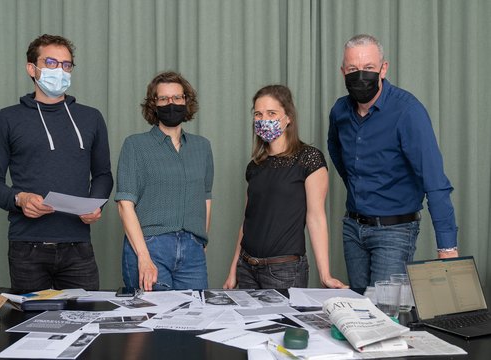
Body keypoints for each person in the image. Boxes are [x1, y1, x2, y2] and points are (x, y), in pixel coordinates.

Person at [0, 34, 113, 292]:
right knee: (33, 327)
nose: (60, 70)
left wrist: (96, 204)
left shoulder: (91, 118)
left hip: (78, 248)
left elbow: (103, 175)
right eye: (51, 62)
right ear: (32, 68)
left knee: (85, 323)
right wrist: (19, 199)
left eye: (66, 65)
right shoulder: (7, 119)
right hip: (27, 248)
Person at [327, 34, 458, 289]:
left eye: (368, 68)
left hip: (395, 231)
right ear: (343, 71)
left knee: (385, 316)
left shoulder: (408, 112)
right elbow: (337, 151)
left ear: (383, 69)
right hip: (353, 229)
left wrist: (447, 247)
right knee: (359, 314)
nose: (360, 75)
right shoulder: (339, 111)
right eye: (353, 69)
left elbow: (435, 180)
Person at [223, 85, 346, 290]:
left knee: (285, 324)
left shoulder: (308, 159)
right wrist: (233, 269)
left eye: (272, 113)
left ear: (288, 117)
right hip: (247, 268)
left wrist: (325, 275)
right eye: (258, 114)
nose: (264, 119)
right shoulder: (254, 167)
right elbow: (248, 220)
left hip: (284, 271)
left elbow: (316, 218)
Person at [115, 71, 213, 291]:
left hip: (192, 249)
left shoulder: (202, 147)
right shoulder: (135, 145)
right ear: (154, 104)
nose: (172, 103)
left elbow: (205, 197)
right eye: (164, 99)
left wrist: (201, 242)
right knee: (151, 321)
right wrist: (143, 257)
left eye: (178, 98)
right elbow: (125, 205)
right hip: (151, 246)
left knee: (196, 320)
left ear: (186, 101)